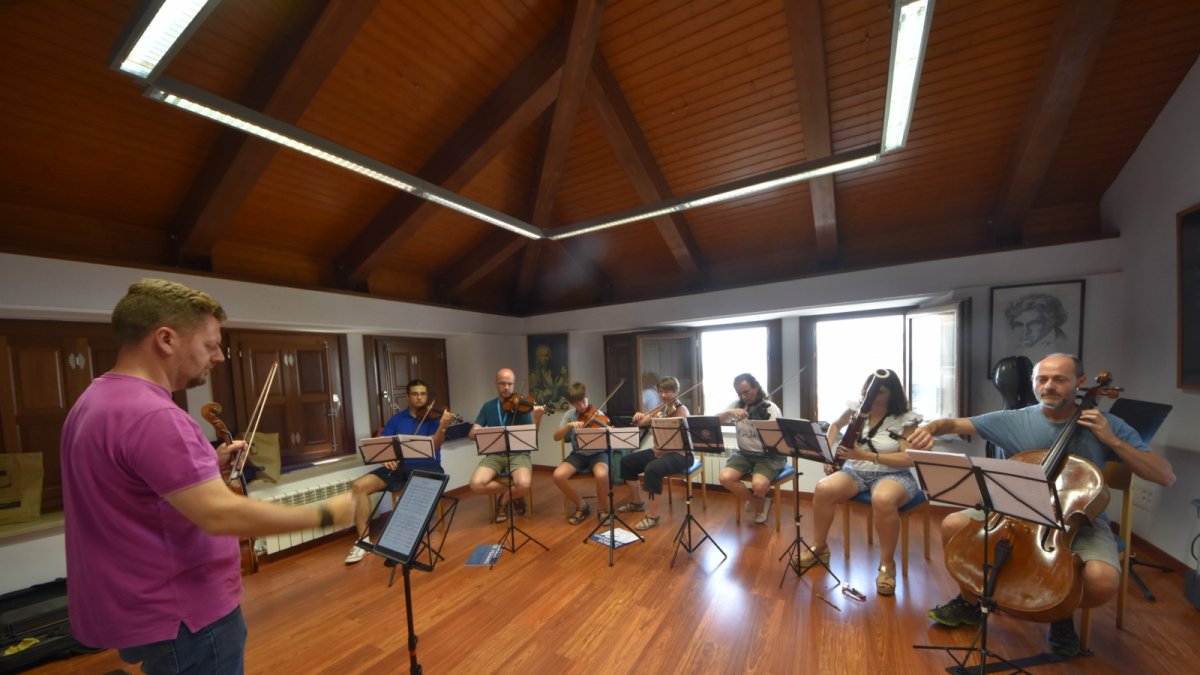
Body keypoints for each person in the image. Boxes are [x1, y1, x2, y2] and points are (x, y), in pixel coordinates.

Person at [60, 278, 356, 674]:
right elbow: (220, 514)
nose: (218, 357)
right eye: (210, 345)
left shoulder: (95, 399)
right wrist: (325, 513)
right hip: (185, 613)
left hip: (138, 604)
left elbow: (129, 489)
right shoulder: (155, 415)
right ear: (166, 339)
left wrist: (207, 465)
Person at [908, 353, 1175, 658]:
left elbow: (1164, 475)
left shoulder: (1108, 424)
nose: (1049, 386)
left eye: (1059, 379)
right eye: (1042, 379)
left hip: (1078, 520)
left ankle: (1060, 611)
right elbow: (951, 423)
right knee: (953, 524)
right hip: (1014, 508)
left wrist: (1112, 441)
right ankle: (970, 603)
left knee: (1102, 580)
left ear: (1080, 382)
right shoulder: (1015, 419)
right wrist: (930, 429)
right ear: (1033, 382)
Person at [795, 370, 922, 595]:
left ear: (892, 394)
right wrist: (828, 453)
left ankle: (887, 564)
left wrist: (864, 455)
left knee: (882, 499)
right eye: (870, 390)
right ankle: (820, 547)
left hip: (894, 474)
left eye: (880, 392)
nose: (873, 396)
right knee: (823, 488)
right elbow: (835, 426)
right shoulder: (857, 410)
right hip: (855, 471)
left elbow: (908, 459)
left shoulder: (905, 419)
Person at [344, 379, 456, 564]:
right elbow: (383, 444)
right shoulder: (397, 419)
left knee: (412, 493)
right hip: (400, 467)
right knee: (358, 486)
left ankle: (405, 539)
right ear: (407, 397)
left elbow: (436, 445)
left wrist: (443, 426)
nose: (420, 398)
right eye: (415, 394)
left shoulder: (434, 418)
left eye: (423, 394)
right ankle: (363, 541)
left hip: (428, 466)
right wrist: (386, 458)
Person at [469, 368, 545, 522]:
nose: (506, 387)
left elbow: (532, 434)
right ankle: (514, 494)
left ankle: (503, 501)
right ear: (496, 384)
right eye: (502, 383)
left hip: (518, 454)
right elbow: (471, 434)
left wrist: (537, 419)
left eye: (510, 384)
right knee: (475, 484)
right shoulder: (488, 406)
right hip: (495, 454)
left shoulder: (522, 407)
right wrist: (484, 432)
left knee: (524, 484)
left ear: (514, 384)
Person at [617, 376, 691, 530]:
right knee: (627, 462)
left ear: (676, 392)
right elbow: (640, 423)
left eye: (667, 392)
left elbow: (680, 440)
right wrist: (638, 417)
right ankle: (637, 503)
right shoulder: (660, 408)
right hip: (659, 451)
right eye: (661, 391)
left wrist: (662, 420)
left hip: (680, 454)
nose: (663, 395)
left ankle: (653, 516)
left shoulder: (681, 411)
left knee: (652, 469)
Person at [717, 373, 785, 525]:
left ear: (756, 387)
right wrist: (729, 413)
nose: (744, 397)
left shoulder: (770, 408)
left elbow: (776, 439)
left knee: (759, 486)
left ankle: (758, 496)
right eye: (739, 393)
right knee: (725, 478)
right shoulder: (737, 405)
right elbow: (715, 420)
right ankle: (759, 502)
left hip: (768, 455)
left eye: (746, 392)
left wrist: (760, 422)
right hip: (744, 453)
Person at [552, 382, 613, 525]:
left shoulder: (598, 414)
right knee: (558, 475)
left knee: (601, 474)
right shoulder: (569, 415)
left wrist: (609, 430)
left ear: (588, 397)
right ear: (572, 403)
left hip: (598, 454)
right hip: (578, 454)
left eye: (583, 401)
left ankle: (602, 508)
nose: (581, 405)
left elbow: (609, 438)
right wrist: (568, 426)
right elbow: (556, 437)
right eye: (577, 403)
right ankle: (582, 505)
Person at [529, 343, 568, 409]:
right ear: (538, 357)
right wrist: (543, 394)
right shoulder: (534, 375)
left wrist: (562, 378)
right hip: (542, 408)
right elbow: (533, 397)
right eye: (542, 355)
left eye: (546, 355)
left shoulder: (552, 372)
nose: (544, 358)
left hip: (555, 404)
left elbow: (558, 392)